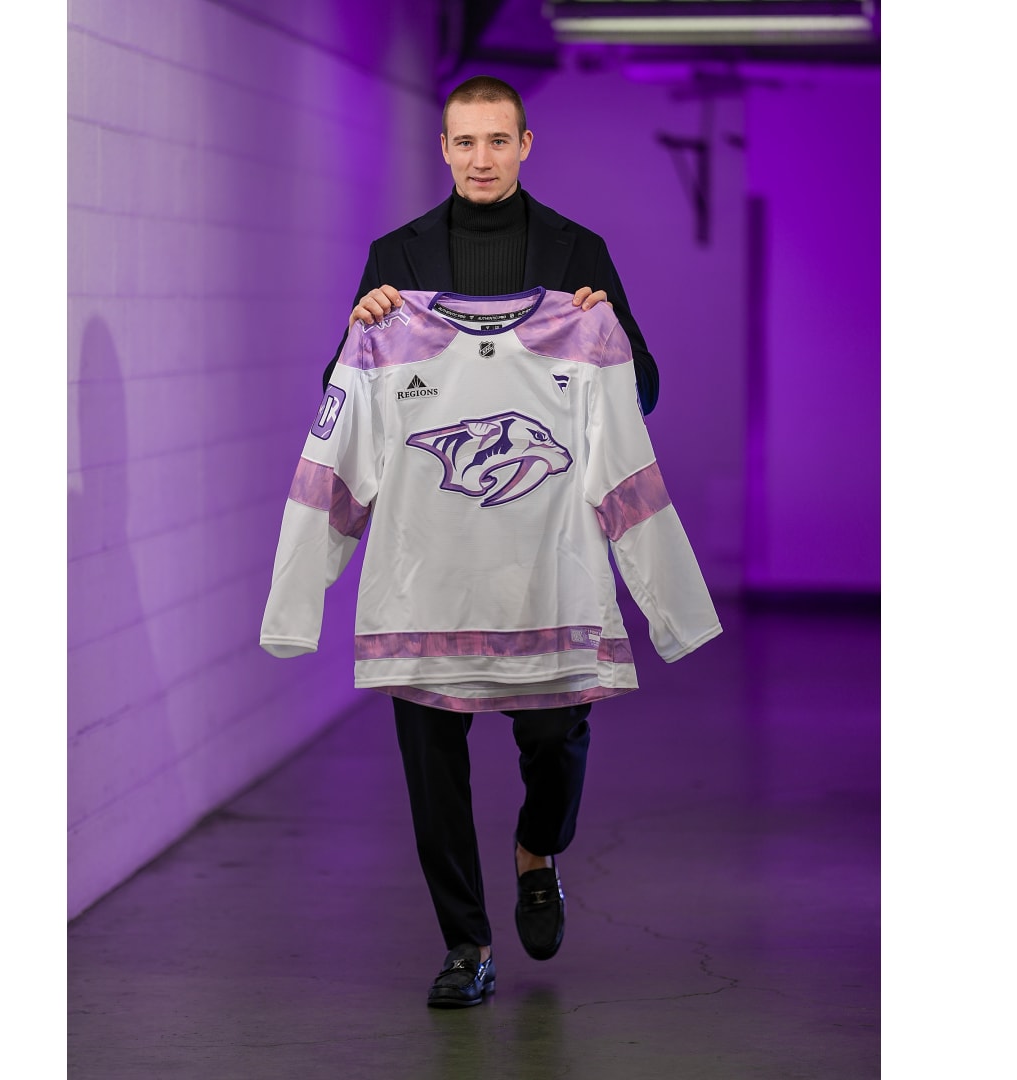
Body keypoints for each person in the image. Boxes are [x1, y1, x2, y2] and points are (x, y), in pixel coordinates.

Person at [328, 75, 664, 1009]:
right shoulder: (396, 258)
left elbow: (639, 393)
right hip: (429, 564)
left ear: (525, 145)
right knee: (430, 755)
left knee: (557, 735)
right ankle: (464, 944)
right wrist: (355, 330)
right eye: (465, 142)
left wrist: (608, 332)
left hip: (543, 560)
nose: (481, 159)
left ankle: (537, 848)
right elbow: (347, 402)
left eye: (498, 141)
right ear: (444, 148)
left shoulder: (575, 252)